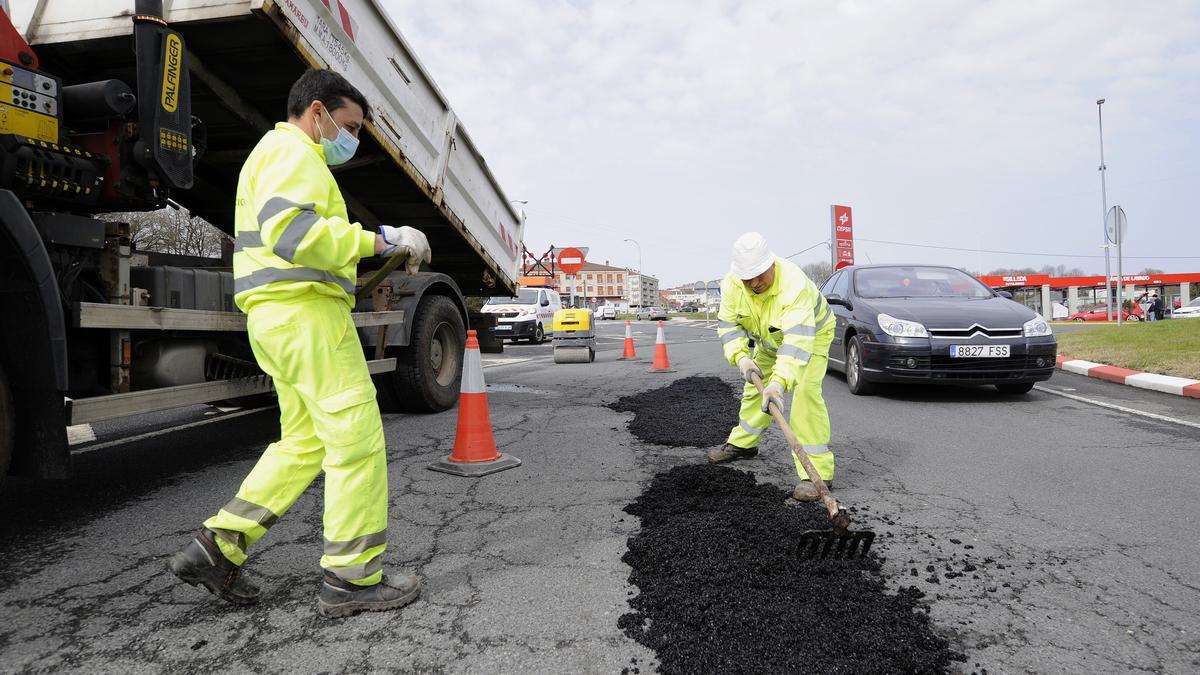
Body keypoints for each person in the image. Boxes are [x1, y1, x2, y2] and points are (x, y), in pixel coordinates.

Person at [167, 69, 431, 618]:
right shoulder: (295, 153)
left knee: (304, 444)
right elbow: (296, 234)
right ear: (317, 112)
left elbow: (287, 236)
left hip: (276, 320)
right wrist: (383, 237)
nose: (351, 140)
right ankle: (353, 582)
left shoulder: (268, 157)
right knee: (357, 441)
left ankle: (218, 545)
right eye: (349, 126)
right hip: (307, 318)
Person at [708, 232, 836, 502]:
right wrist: (741, 357)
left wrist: (778, 384)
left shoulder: (793, 284)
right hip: (769, 339)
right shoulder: (732, 286)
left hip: (811, 336)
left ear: (771, 265)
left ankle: (817, 474)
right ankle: (743, 445)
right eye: (747, 278)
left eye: (759, 275)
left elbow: (797, 342)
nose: (754, 283)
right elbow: (729, 326)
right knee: (755, 389)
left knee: (805, 393)